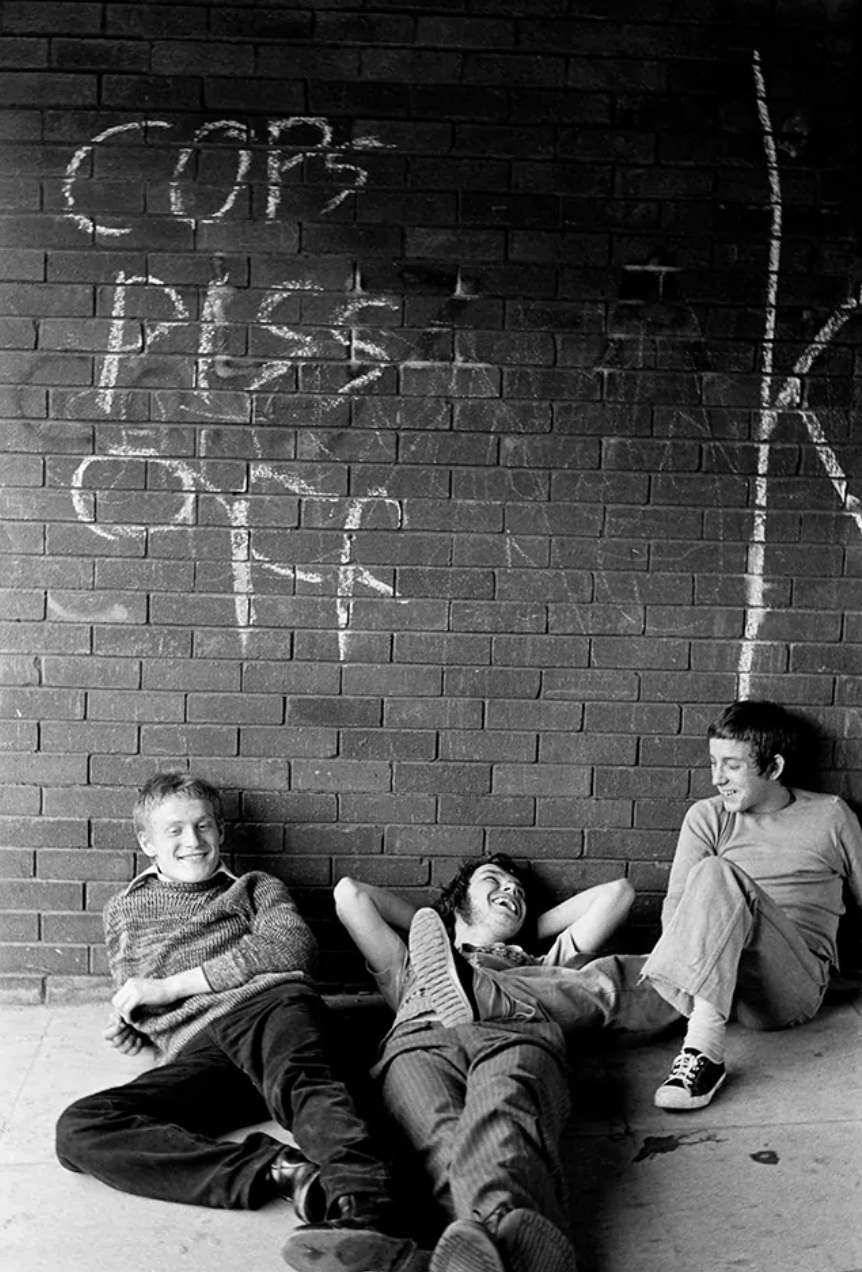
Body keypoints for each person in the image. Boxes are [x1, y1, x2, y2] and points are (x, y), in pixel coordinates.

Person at [55, 772, 422, 1272]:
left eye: (204, 826)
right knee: (80, 1128)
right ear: (146, 843)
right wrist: (136, 1031)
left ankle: (369, 1216)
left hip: (269, 1008)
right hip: (203, 1052)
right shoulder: (122, 911)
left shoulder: (255, 888)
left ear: (220, 832)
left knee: (310, 1084)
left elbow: (293, 948)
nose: (193, 841)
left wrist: (169, 989)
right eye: (175, 831)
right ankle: (282, 1171)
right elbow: (139, 996)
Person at [334, 863, 671, 1272]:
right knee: (438, 1140)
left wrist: (519, 920)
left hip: (514, 1031)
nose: (511, 888)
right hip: (419, 1042)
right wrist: (445, 921)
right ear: (459, 901)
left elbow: (617, 894)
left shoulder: (544, 961)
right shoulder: (410, 962)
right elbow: (350, 894)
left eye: (520, 891)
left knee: (504, 1119)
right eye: (493, 879)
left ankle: (458, 1255)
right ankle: (513, 1243)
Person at [640, 698, 862, 1112]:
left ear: (773, 769)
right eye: (712, 763)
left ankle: (703, 1051)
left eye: (732, 765)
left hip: (789, 986)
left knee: (714, 874)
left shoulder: (832, 817)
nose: (716, 779)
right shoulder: (707, 817)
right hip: (717, 980)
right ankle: (489, 996)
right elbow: (675, 912)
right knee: (604, 982)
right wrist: (704, 972)